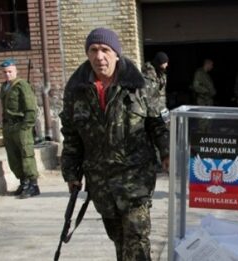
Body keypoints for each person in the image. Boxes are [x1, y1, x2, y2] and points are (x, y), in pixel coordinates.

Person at [59, 28, 169, 260]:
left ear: (116, 54)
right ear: (87, 54)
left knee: (137, 240)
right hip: (101, 182)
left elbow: (157, 124)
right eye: (93, 50)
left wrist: (167, 154)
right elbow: (71, 135)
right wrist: (70, 172)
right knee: (118, 238)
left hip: (135, 179)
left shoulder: (139, 85)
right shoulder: (76, 90)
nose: (99, 56)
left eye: (105, 50)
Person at [0, 58, 40, 199]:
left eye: (10, 71)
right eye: (5, 72)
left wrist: (26, 127)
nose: (7, 75)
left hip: (21, 125)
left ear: (16, 71)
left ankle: (33, 185)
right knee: (13, 157)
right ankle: (23, 182)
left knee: (26, 154)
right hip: (9, 127)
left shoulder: (22, 85)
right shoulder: (4, 87)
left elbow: (30, 107)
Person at [142, 51, 170, 122]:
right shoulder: (147, 76)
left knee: (168, 128)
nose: (167, 65)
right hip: (152, 113)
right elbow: (145, 97)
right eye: (165, 62)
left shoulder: (162, 74)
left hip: (162, 109)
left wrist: (163, 108)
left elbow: (162, 93)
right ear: (159, 63)